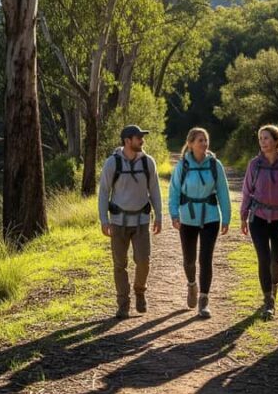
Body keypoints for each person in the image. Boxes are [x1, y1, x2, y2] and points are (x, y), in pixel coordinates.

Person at [98, 124, 163, 319]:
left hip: (142, 221)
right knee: (120, 264)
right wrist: (104, 220)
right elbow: (103, 192)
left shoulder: (148, 162)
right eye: (138, 137)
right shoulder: (112, 163)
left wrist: (159, 215)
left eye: (142, 137)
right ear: (127, 141)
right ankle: (123, 304)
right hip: (118, 222)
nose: (142, 140)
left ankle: (140, 292)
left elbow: (155, 190)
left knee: (143, 261)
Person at [168, 127, 231, 318]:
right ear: (190, 144)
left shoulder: (215, 165)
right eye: (200, 141)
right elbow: (174, 191)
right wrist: (174, 214)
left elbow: (223, 192)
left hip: (211, 217)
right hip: (187, 217)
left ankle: (203, 300)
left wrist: (226, 217)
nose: (204, 144)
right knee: (189, 260)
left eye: (206, 140)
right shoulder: (182, 166)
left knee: (206, 259)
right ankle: (191, 285)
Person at [240, 125, 278, 320]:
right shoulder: (254, 165)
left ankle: (274, 287)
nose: (263, 142)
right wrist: (243, 215)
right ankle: (268, 301)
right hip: (257, 218)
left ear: (276, 141)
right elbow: (247, 191)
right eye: (260, 138)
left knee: (277, 261)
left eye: (266, 138)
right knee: (264, 259)